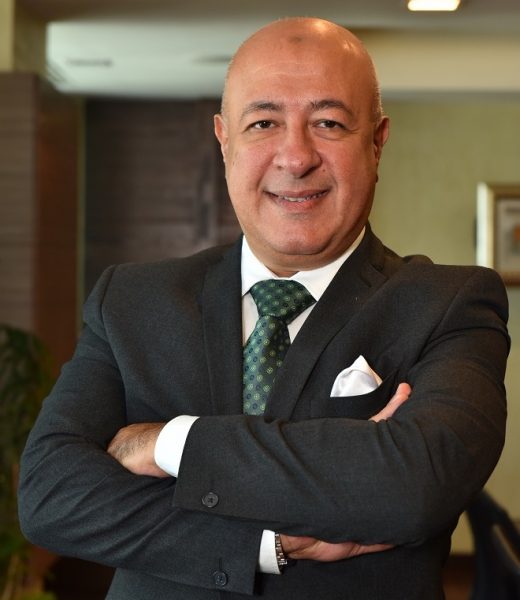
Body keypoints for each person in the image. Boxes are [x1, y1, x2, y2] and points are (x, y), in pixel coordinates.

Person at [18, 17, 509, 600]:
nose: (295, 157)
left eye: (328, 123)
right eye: (264, 123)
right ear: (224, 139)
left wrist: (169, 443)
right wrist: (269, 542)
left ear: (376, 142)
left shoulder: (450, 304)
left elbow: (414, 486)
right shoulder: (131, 300)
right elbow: (51, 496)